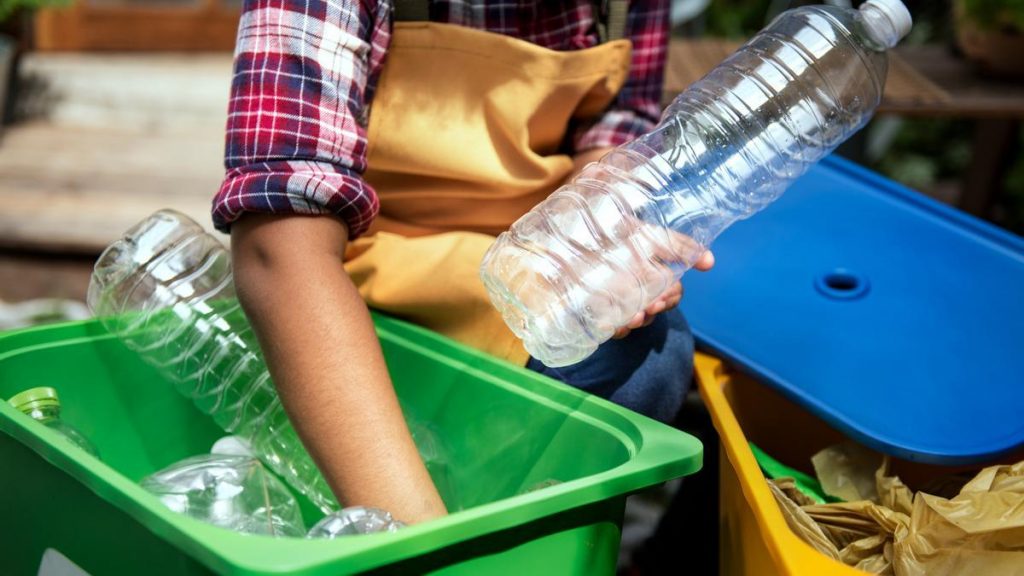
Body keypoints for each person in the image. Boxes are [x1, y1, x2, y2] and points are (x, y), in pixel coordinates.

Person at [213, 0, 713, 525]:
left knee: (649, 355)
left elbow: (615, 124)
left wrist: (597, 238)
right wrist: (419, 540)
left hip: (520, 263)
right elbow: (279, 247)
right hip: (358, 271)